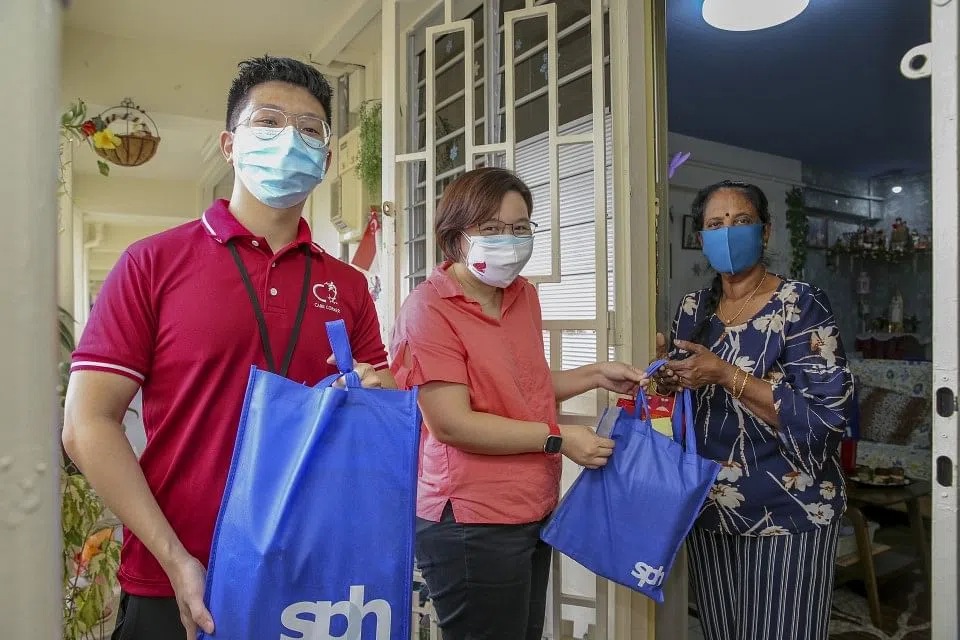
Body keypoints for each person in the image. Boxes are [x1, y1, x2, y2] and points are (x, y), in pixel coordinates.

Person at [62, 55, 393, 640]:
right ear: (229, 144)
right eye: (268, 122)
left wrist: (374, 392)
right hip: (177, 575)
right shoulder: (153, 263)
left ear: (327, 158)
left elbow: (379, 405)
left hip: (311, 578)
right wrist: (173, 557)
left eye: (309, 129)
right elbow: (88, 423)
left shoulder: (346, 287)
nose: (290, 139)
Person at [389, 167, 649, 640]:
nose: (508, 240)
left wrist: (595, 375)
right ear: (456, 235)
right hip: (472, 518)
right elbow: (452, 423)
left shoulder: (522, 296)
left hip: (532, 505)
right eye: (490, 229)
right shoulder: (429, 310)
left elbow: (520, 386)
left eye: (519, 228)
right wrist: (558, 438)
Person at [653, 180, 854, 640]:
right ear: (701, 237)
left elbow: (826, 417)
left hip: (791, 511)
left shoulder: (802, 304)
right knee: (724, 631)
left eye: (741, 221)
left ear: (765, 232)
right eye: (714, 224)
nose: (727, 232)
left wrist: (727, 374)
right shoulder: (692, 308)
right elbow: (684, 399)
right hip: (710, 507)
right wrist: (669, 379)